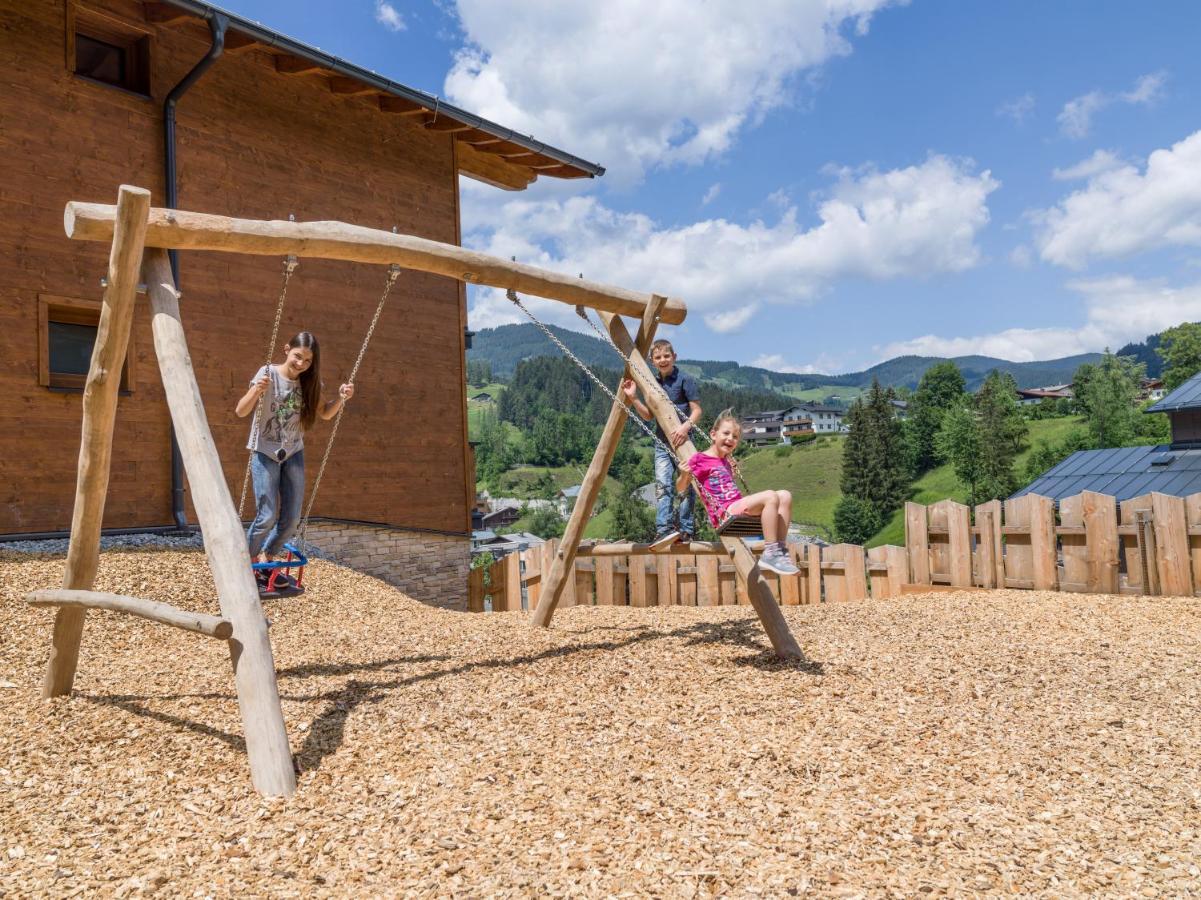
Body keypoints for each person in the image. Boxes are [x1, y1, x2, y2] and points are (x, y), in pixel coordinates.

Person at [235, 331, 354, 577]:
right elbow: (240, 411)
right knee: (266, 516)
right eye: (297, 356)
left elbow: (325, 413)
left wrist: (341, 399)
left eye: (308, 361)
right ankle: (245, 564)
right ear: (286, 349)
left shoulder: (310, 384)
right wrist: (257, 390)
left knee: (291, 521)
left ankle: (267, 556)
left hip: (293, 453)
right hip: (265, 450)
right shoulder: (267, 373)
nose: (301, 364)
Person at [676, 410, 799, 576]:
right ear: (713, 434)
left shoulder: (726, 461)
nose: (730, 439)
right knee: (771, 495)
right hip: (725, 513)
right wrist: (684, 475)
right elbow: (680, 488)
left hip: (738, 507)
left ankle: (779, 551)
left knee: (785, 495)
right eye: (726, 433)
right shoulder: (699, 459)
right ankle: (770, 552)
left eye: (735, 437)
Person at [621, 339, 701, 547]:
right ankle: (664, 529)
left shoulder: (685, 380)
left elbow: (697, 411)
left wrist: (685, 427)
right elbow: (649, 415)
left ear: (674, 357)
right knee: (663, 485)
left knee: (688, 486)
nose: (663, 360)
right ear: (652, 361)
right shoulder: (652, 385)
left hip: (684, 441)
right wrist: (634, 398)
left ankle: (686, 529)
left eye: (667, 356)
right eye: (658, 357)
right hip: (662, 444)